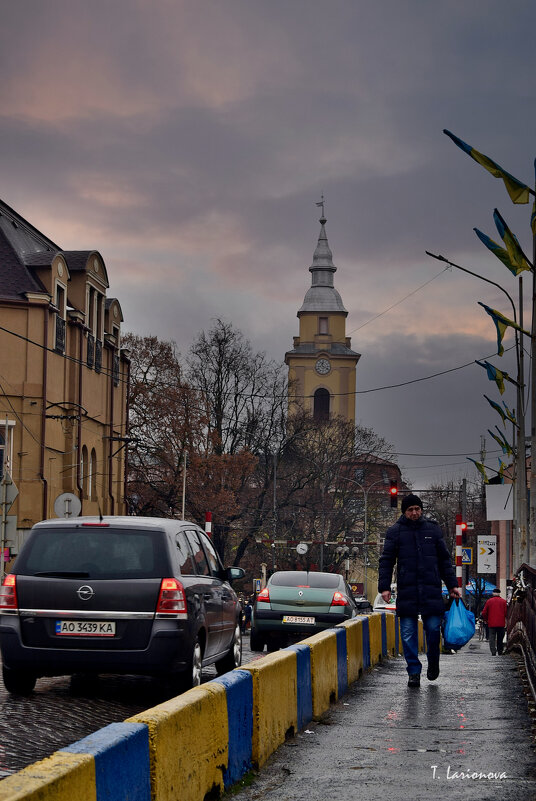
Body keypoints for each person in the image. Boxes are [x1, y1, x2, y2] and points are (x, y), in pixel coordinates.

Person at [378, 493, 461, 688]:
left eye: (417, 509)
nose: (414, 513)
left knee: (433, 630)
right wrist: (384, 587)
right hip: (407, 589)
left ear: (421, 509)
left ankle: (433, 662)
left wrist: (452, 585)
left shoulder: (433, 529)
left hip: (431, 588)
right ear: (404, 512)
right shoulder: (395, 532)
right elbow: (386, 560)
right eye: (410, 510)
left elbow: (444, 560)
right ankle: (413, 672)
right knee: (407, 634)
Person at [481, 588, 507, 655]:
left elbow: (484, 612)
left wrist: (485, 620)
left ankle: (493, 651)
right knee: (500, 638)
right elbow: (506, 613)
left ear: (493, 593)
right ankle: (500, 651)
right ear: (499, 593)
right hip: (501, 623)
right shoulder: (504, 602)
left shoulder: (489, 601)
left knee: (492, 638)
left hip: (491, 623)